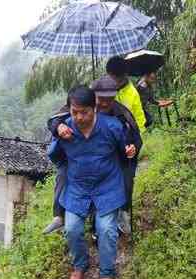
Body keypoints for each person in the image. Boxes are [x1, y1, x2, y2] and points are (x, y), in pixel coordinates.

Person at [48, 85, 133, 279]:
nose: (78, 117)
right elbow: (55, 156)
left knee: (106, 229)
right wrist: (58, 132)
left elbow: (125, 150)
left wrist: (129, 151)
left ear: (94, 108)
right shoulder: (65, 129)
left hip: (107, 186)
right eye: (74, 112)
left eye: (84, 112)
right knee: (72, 228)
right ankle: (79, 266)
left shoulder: (112, 127)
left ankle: (107, 272)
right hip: (78, 187)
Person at [43, 76, 142, 235]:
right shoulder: (78, 107)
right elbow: (53, 120)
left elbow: (134, 136)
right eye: (100, 99)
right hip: (79, 156)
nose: (104, 103)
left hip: (111, 157)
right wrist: (59, 127)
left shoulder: (120, 113)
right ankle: (59, 216)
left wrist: (132, 148)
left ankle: (123, 213)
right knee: (63, 173)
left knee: (125, 174)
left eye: (109, 99)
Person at [106, 56, 147, 133]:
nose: (114, 83)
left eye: (117, 80)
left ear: (125, 75)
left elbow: (140, 120)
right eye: (110, 78)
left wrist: (136, 139)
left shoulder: (133, 93)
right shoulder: (102, 89)